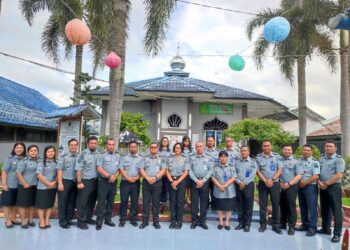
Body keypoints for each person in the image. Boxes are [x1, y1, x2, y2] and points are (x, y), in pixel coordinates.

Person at [318, 141, 345, 243]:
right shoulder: (321, 158)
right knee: (325, 209)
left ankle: (337, 234)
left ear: (335, 148)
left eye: (331, 146)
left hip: (333, 187)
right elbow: (318, 172)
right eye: (327, 146)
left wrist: (326, 183)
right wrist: (319, 183)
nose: (328, 148)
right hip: (322, 186)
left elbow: (339, 175)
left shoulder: (339, 159)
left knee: (336, 210)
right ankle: (326, 229)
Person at [256, 139, 282, 234]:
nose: (266, 147)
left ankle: (275, 225)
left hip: (274, 183)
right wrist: (265, 180)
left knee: (275, 204)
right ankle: (263, 224)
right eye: (264, 146)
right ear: (262, 147)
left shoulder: (277, 156)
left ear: (271, 146)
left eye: (268, 145)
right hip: (263, 183)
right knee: (263, 204)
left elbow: (280, 170)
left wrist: (272, 179)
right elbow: (257, 171)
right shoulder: (258, 157)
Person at [139, 142, 166, 229]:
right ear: (150, 149)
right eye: (152, 147)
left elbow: (163, 170)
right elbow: (141, 169)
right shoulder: (145, 158)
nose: (153, 148)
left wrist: (155, 177)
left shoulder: (161, 159)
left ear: (157, 149)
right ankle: (145, 221)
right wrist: (147, 178)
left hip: (157, 183)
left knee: (156, 203)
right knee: (146, 202)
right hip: (146, 182)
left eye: (155, 147)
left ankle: (155, 221)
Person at [75, 136, 101, 230]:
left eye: (95, 143)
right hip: (85, 181)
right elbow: (78, 169)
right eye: (91, 143)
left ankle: (88, 218)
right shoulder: (83, 154)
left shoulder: (98, 154)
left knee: (92, 201)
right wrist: (79, 182)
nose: (93, 145)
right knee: (83, 202)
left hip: (96, 181)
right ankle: (80, 221)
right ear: (88, 144)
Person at [95, 138, 119, 230]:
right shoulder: (102, 155)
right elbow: (99, 169)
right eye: (109, 144)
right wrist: (109, 176)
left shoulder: (117, 156)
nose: (111, 146)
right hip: (104, 181)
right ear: (106, 145)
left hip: (113, 181)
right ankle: (99, 221)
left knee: (110, 201)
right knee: (101, 201)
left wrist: (114, 177)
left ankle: (108, 219)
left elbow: (119, 169)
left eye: (113, 144)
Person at [278, 144, 302, 236]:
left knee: (291, 206)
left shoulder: (296, 162)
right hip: (280, 185)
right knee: (282, 205)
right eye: (285, 149)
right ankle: (283, 223)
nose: (287, 151)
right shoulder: (278, 160)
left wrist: (289, 184)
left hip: (291, 186)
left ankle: (291, 226)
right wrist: (280, 183)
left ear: (291, 151)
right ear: (282, 150)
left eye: (289, 150)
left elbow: (299, 175)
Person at [189, 141, 214, 230]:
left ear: (203, 147)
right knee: (194, 202)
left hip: (204, 182)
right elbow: (189, 170)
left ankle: (202, 222)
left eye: (200, 146)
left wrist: (203, 181)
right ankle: (194, 221)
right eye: (197, 146)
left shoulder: (209, 158)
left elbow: (211, 170)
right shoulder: (191, 158)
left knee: (204, 202)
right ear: (195, 148)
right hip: (194, 181)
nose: (199, 148)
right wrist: (196, 180)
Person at [296, 144, 320, 237]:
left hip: (310, 187)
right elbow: (297, 172)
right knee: (303, 207)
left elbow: (316, 176)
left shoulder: (315, 162)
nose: (306, 152)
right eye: (304, 150)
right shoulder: (299, 161)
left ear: (311, 152)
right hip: (300, 186)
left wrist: (305, 183)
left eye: (308, 150)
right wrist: (300, 182)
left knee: (312, 208)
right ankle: (305, 225)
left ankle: (312, 228)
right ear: (302, 151)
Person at [0, 142, 26, 228]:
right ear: (14, 149)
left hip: (20, 186)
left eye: (21, 148)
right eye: (17, 147)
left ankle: (14, 218)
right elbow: (4, 172)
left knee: (16, 203)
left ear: (24, 149)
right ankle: (8, 220)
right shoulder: (9, 159)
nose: (19, 149)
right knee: (7, 203)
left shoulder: (26, 159)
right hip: (10, 185)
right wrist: (4, 184)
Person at [119, 141, 142, 227]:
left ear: (137, 148)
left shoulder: (140, 158)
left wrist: (137, 178)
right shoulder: (123, 157)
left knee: (134, 201)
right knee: (124, 201)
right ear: (129, 147)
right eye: (131, 146)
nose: (133, 148)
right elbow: (121, 169)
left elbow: (142, 170)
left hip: (135, 182)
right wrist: (128, 178)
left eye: (134, 147)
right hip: (125, 182)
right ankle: (122, 219)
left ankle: (133, 219)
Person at [16, 144, 40, 228]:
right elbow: (18, 173)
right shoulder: (24, 161)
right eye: (31, 150)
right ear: (28, 152)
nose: (33, 152)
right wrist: (24, 183)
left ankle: (30, 220)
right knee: (23, 204)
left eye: (35, 150)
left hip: (36, 186)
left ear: (38, 152)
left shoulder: (40, 161)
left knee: (32, 204)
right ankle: (23, 221)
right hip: (25, 186)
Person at [211, 151, 237, 231]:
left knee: (229, 207)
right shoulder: (215, 168)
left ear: (227, 158)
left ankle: (227, 223)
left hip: (229, 190)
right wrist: (219, 186)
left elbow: (234, 177)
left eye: (225, 156)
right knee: (220, 207)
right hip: (218, 190)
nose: (223, 158)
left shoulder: (231, 167)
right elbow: (213, 177)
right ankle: (221, 222)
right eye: (221, 157)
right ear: (219, 158)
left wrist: (225, 186)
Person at [166, 142, 189, 229]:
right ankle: (173, 220)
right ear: (174, 149)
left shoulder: (185, 159)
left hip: (181, 181)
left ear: (181, 149)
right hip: (171, 180)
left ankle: (179, 221)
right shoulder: (170, 158)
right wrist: (172, 181)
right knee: (172, 201)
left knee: (180, 202)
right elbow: (167, 171)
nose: (177, 149)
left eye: (179, 148)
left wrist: (177, 182)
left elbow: (186, 172)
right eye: (176, 148)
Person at [57, 138, 79, 229]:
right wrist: (60, 183)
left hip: (75, 182)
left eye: (75, 145)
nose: (73, 146)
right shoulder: (63, 156)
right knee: (63, 202)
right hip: (65, 181)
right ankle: (62, 221)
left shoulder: (79, 156)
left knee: (72, 202)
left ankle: (69, 219)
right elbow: (59, 170)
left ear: (77, 146)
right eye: (72, 145)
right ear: (68, 146)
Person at [234, 145, 257, 232]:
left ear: (248, 152)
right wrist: (239, 182)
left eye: (245, 151)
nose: (243, 152)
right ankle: (240, 223)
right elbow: (234, 173)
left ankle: (247, 224)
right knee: (239, 205)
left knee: (248, 205)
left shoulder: (253, 162)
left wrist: (244, 183)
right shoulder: (237, 162)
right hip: (238, 185)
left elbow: (252, 174)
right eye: (242, 151)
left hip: (248, 185)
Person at [35, 146, 58, 229]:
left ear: (55, 152)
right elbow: (39, 175)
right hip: (43, 187)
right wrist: (48, 184)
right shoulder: (41, 162)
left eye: (52, 151)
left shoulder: (56, 162)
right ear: (45, 153)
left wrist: (54, 183)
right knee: (41, 205)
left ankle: (47, 220)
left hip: (53, 187)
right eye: (48, 151)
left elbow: (58, 174)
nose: (51, 153)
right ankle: (41, 221)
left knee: (49, 205)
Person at [159, 137, 171, 209]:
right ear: (161, 142)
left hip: (167, 172)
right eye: (163, 141)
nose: (165, 142)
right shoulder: (158, 151)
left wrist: (167, 171)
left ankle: (164, 202)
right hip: (160, 172)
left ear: (168, 142)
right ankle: (160, 201)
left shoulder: (170, 151)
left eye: (166, 141)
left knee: (166, 187)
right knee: (160, 187)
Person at [181, 135, 193, 206]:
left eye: (187, 141)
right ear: (183, 141)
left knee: (189, 186)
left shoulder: (192, 150)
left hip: (190, 171)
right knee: (183, 186)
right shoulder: (180, 150)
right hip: (182, 171)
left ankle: (188, 199)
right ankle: (183, 199)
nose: (186, 142)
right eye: (185, 141)